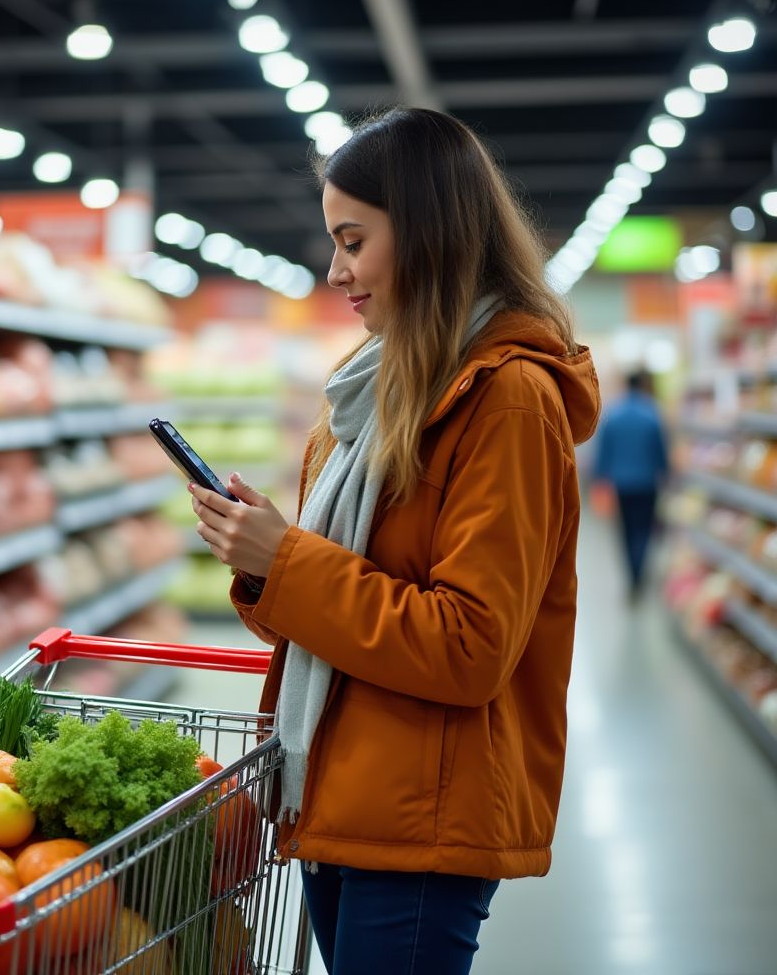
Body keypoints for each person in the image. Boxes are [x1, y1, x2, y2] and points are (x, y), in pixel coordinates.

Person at [187, 107, 600, 975]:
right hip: (336, 788)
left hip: (423, 817)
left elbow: (469, 647)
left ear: (428, 233)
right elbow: (331, 614)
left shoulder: (508, 401)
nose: (335, 270)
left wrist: (286, 560)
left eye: (353, 241)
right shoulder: (367, 397)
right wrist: (261, 566)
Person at [593, 368, 670, 597]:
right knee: (644, 529)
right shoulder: (652, 413)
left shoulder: (613, 414)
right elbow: (660, 450)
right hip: (647, 483)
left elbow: (604, 451)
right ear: (643, 385)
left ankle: (632, 574)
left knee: (625, 531)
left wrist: (600, 477)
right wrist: (665, 473)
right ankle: (639, 571)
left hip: (621, 484)